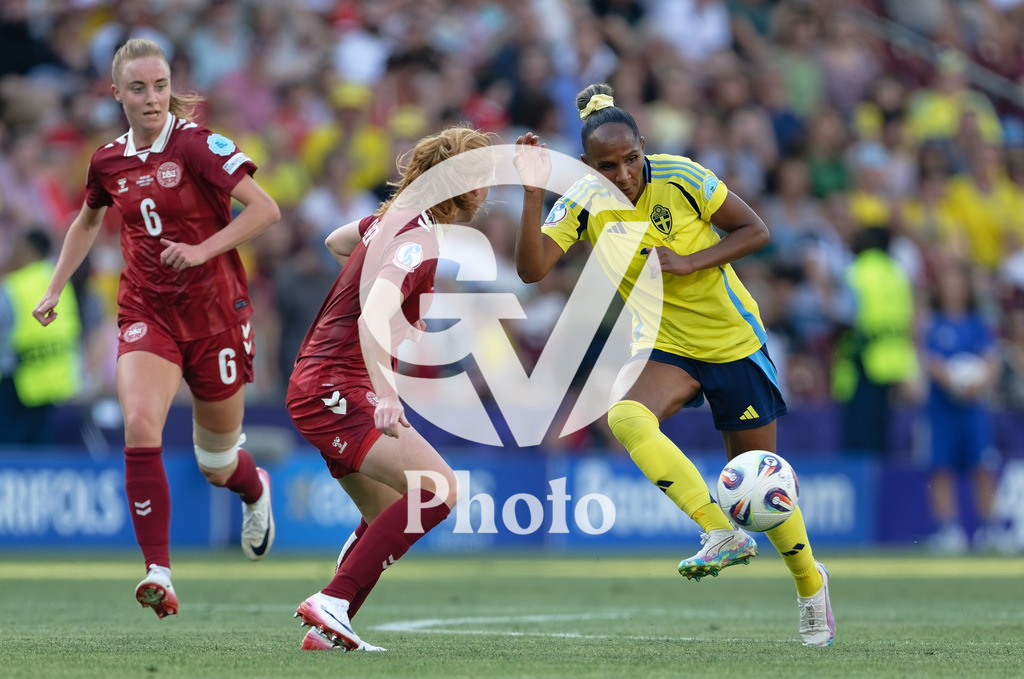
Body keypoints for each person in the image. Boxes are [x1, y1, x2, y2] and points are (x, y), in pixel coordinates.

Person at [513, 83, 835, 647]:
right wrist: (533, 193)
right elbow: (533, 270)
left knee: (760, 481)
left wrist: (690, 261)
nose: (623, 175)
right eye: (607, 166)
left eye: (631, 159)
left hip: (732, 343)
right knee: (625, 417)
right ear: (588, 166)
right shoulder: (584, 201)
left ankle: (811, 587)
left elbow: (755, 230)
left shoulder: (681, 177)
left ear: (645, 146)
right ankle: (717, 531)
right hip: (664, 344)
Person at [31, 38, 281, 618]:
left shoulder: (197, 146)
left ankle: (253, 487)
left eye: (161, 86)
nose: (152, 99)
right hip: (148, 311)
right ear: (115, 93)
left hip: (216, 316)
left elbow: (266, 209)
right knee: (140, 424)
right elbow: (87, 222)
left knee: (215, 463)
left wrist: (201, 250)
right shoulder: (106, 160)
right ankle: (159, 572)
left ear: (172, 88)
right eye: (138, 88)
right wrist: (54, 288)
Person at [287, 126, 493, 652]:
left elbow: (337, 241)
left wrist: (374, 283)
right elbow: (370, 320)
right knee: (439, 489)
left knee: (386, 514)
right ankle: (333, 600)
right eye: (479, 181)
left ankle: (329, 626)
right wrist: (386, 394)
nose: (486, 193)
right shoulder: (417, 239)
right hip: (339, 384)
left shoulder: (388, 222)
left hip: (317, 382)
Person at [921, 260, 1002, 553]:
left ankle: (990, 530)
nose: (953, 290)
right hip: (942, 409)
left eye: (958, 285)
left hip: (973, 409)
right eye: (948, 285)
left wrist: (978, 383)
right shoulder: (933, 323)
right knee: (940, 469)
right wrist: (952, 381)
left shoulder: (978, 323)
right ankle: (948, 530)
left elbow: (992, 360)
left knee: (982, 467)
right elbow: (930, 360)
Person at [0, 228, 82, 445]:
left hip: (17, 384)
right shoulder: (63, 284)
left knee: (11, 456)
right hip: (57, 381)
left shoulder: (13, 286)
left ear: (27, 251)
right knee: (43, 452)